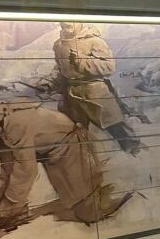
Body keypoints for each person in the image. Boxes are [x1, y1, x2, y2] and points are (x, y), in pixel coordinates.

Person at [0, 94, 132, 239]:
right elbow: (7, 172)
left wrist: (8, 208)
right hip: (52, 150)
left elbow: (24, 172)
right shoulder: (4, 131)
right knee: (72, 201)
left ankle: (125, 193)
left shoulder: (15, 126)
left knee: (87, 212)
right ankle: (7, 216)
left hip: (71, 145)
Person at [40, 22, 144, 155]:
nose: (66, 24)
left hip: (94, 90)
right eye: (63, 21)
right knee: (72, 131)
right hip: (71, 95)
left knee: (116, 126)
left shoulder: (94, 41)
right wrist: (50, 83)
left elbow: (109, 66)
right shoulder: (58, 45)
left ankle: (136, 153)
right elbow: (60, 69)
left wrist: (82, 61)